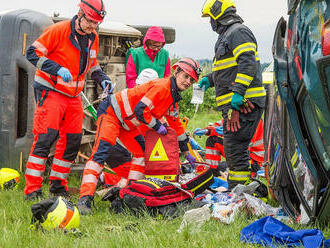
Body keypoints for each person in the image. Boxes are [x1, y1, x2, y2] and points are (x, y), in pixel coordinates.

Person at [77, 57, 200, 214]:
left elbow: (177, 127)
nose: (188, 81)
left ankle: (130, 193)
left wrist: (187, 152)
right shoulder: (163, 87)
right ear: (176, 72)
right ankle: (84, 199)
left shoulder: (172, 98)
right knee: (100, 153)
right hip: (112, 113)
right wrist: (157, 126)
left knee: (142, 154)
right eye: (186, 76)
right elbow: (141, 110)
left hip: (127, 124)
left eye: (191, 79)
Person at [24, 0, 113, 200]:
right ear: (80, 13)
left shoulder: (93, 37)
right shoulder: (58, 30)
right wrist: (56, 69)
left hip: (73, 96)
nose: (92, 27)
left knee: (72, 140)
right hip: (51, 90)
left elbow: (92, 64)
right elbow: (32, 53)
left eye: (96, 23)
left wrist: (103, 79)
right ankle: (32, 191)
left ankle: (57, 187)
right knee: (45, 139)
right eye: (90, 21)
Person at [200, 0, 266, 189]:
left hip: (244, 103)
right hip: (236, 103)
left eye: (210, 18)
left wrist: (237, 94)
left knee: (235, 147)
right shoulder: (228, 35)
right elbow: (229, 69)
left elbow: (248, 63)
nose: (210, 23)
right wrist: (210, 79)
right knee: (233, 147)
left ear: (218, 15)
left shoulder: (238, 32)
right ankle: (239, 188)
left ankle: (239, 190)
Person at [194, 119, 265, 177]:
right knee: (212, 140)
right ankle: (212, 172)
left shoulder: (253, 119)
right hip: (239, 154)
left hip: (251, 160)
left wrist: (226, 133)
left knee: (224, 168)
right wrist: (207, 130)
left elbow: (244, 144)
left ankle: (249, 173)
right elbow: (218, 125)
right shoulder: (234, 114)